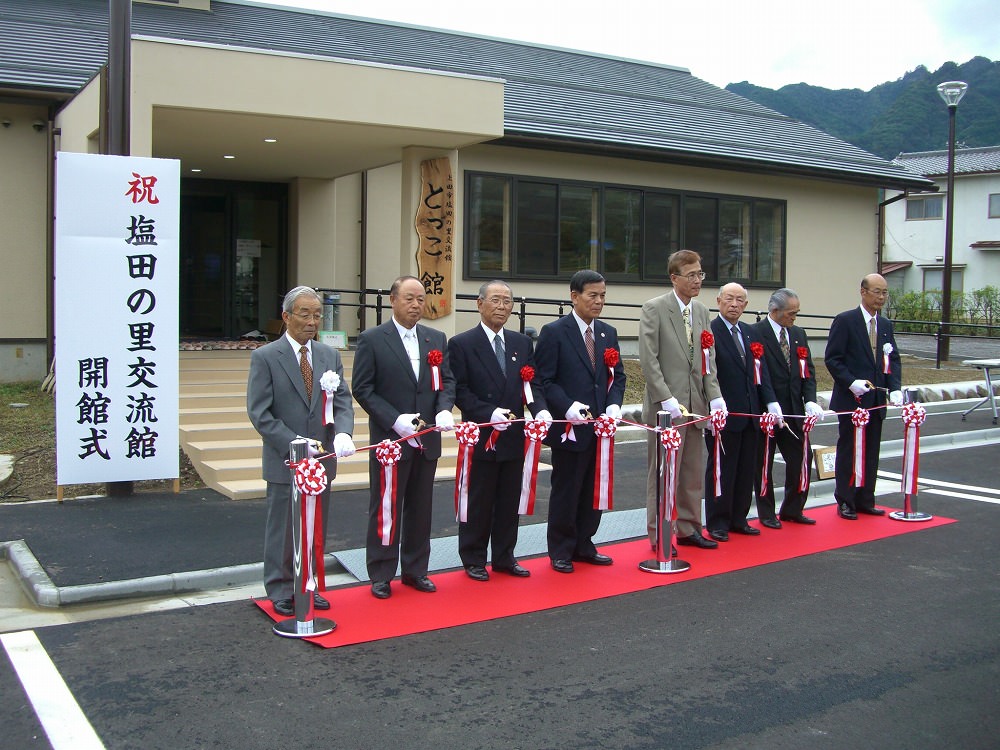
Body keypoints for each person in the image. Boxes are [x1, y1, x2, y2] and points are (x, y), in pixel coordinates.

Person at [247, 286, 356, 617]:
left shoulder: (328, 355)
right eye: (305, 314)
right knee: (283, 527)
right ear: (286, 317)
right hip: (287, 459)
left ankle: (308, 584)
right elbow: (260, 412)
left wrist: (343, 433)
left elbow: (342, 401)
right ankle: (281, 588)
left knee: (315, 526)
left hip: (322, 460)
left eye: (317, 314)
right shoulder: (266, 357)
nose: (312, 321)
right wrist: (293, 442)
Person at [352, 276, 456, 598]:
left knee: (420, 508)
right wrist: (395, 421)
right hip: (390, 440)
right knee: (386, 508)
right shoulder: (372, 339)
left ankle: (415, 570)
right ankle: (381, 572)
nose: (415, 305)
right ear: (393, 300)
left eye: (421, 299)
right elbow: (363, 388)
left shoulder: (435, 338)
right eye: (409, 298)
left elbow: (446, 382)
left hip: (426, 440)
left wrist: (443, 409)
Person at [448, 280, 552, 581]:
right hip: (481, 434)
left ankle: (505, 556)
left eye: (507, 301)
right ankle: (473, 558)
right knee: (479, 499)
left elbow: (530, 384)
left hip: (514, 434)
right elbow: (460, 391)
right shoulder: (462, 344)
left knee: (509, 499)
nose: (502, 307)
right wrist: (487, 413)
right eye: (495, 300)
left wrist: (540, 409)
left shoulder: (521, 343)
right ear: (479, 304)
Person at [535, 269, 626, 573]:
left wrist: (613, 406)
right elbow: (545, 380)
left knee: (592, 487)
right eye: (593, 295)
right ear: (574, 296)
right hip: (569, 428)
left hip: (599, 426)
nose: (599, 301)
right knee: (568, 488)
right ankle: (561, 548)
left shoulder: (607, 333)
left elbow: (618, 376)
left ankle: (585, 543)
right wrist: (567, 406)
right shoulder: (554, 332)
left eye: (603, 296)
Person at [639, 249, 726, 550]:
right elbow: (648, 360)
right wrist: (665, 398)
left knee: (691, 472)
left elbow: (707, 358)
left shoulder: (702, 311)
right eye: (691, 275)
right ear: (674, 277)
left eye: (700, 274)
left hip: (696, 404)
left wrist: (714, 397)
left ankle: (689, 528)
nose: (697, 280)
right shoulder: (655, 308)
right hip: (667, 408)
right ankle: (659, 532)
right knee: (663, 474)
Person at [704, 283, 780, 542]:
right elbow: (706, 373)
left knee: (747, 468)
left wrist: (770, 402)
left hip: (751, 415)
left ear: (746, 305)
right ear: (718, 300)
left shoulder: (750, 333)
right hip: (724, 413)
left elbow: (763, 373)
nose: (734, 304)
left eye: (740, 300)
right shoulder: (710, 332)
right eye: (729, 299)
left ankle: (739, 518)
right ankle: (717, 521)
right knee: (721, 469)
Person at [825, 273, 902, 520]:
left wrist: (895, 387)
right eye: (877, 291)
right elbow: (833, 359)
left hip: (876, 401)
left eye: (884, 292)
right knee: (849, 449)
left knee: (871, 450)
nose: (881, 297)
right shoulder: (846, 320)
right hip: (853, 400)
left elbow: (893, 360)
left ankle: (866, 498)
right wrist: (851, 382)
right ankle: (845, 499)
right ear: (863, 291)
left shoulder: (886, 325)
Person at [752, 288, 826, 527]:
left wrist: (811, 399)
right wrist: (770, 402)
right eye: (790, 313)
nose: (794, 318)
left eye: (797, 313)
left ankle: (793, 508)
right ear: (775, 311)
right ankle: (766, 513)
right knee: (763, 464)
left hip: (794, 409)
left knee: (800, 461)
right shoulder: (756, 333)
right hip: (767, 410)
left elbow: (808, 372)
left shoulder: (798, 334)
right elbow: (758, 372)